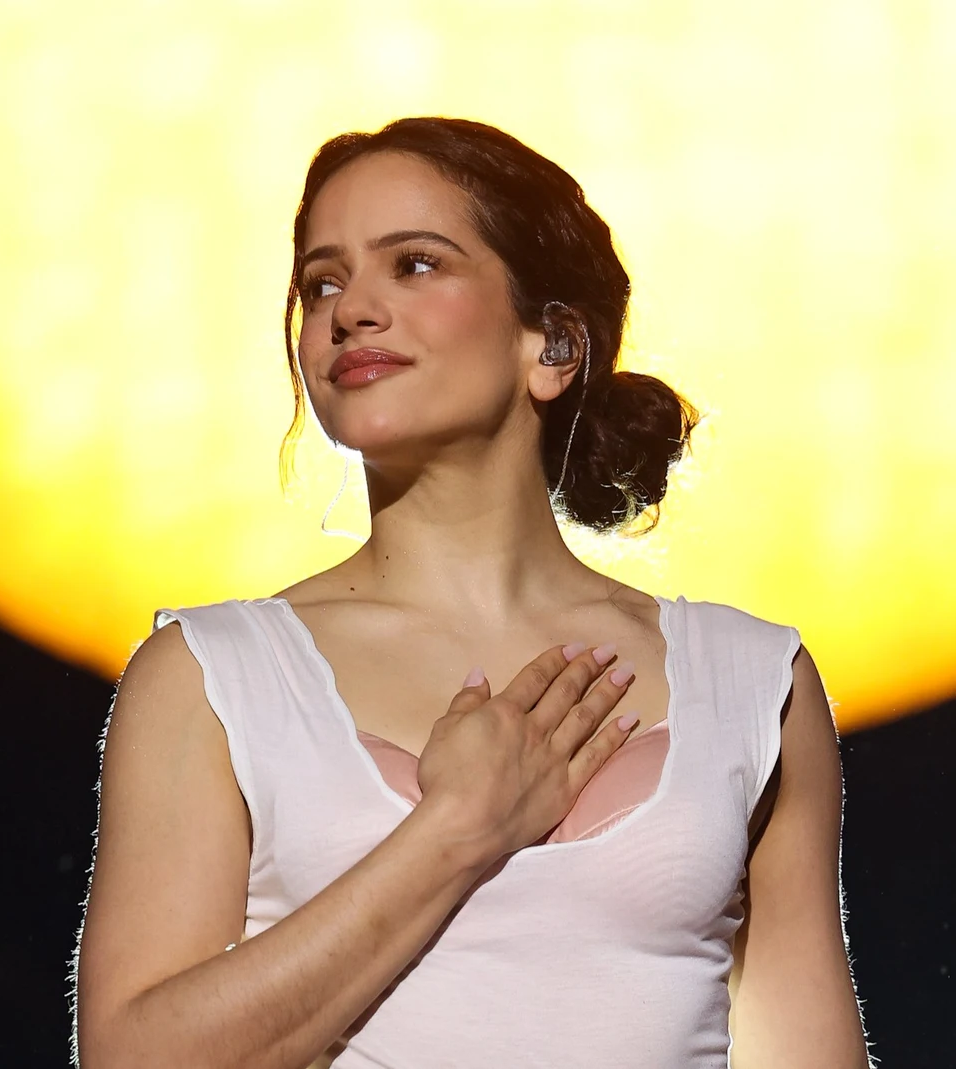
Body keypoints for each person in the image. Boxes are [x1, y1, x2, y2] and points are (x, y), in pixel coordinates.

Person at [70, 117, 871, 1069]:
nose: (351, 309)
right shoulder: (212, 678)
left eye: (413, 264)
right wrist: (456, 828)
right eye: (323, 281)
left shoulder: (751, 681)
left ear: (553, 345)